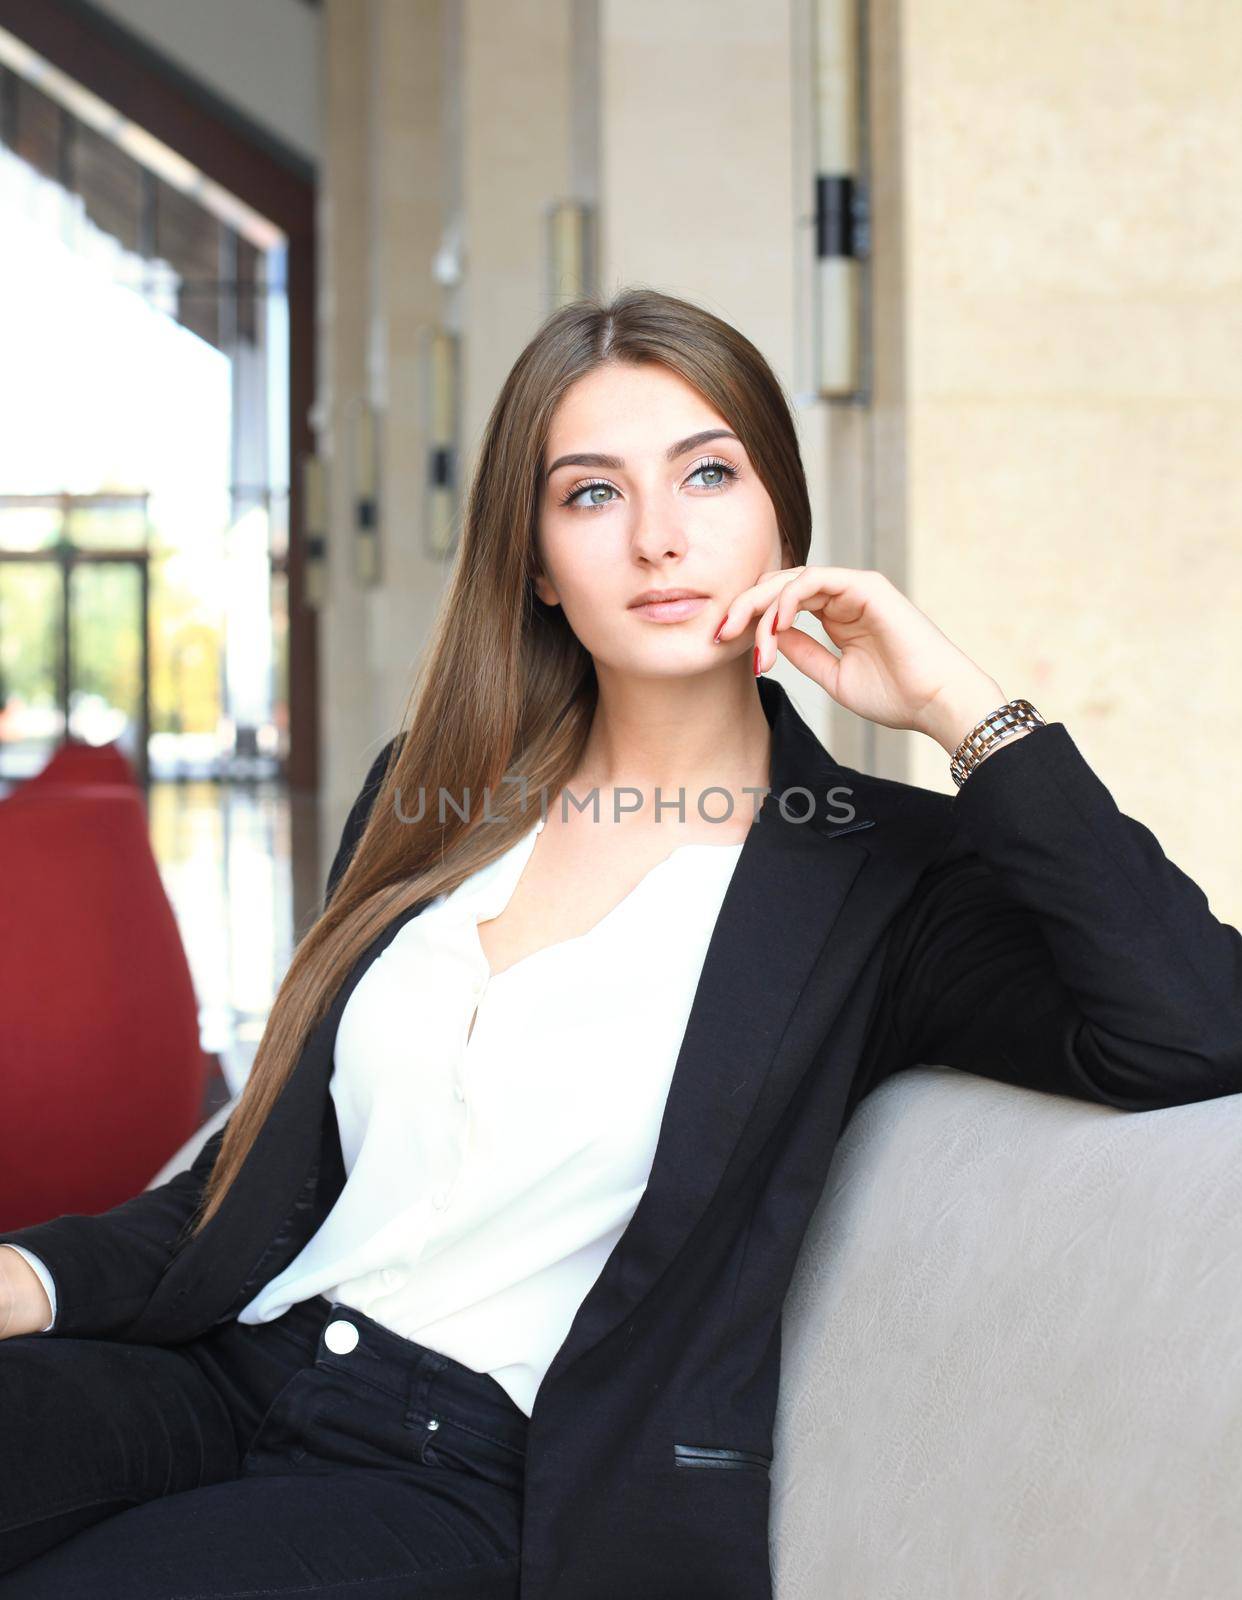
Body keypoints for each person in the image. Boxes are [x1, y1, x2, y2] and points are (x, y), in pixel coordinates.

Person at [1, 287, 1239, 1600]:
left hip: (474, 1473)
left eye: (706, 474)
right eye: (591, 494)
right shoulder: (430, 796)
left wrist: (959, 707)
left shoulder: (878, 874)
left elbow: (1191, 1022)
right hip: (231, 1368)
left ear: (781, 519)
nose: (657, 537)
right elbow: (260, 1182)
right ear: (535, 561)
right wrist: (24, 1274)